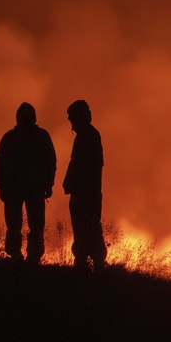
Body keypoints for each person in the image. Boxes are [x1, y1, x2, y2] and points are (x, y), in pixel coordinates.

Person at [0, 102, 56, 264]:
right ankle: (32, 257)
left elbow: (0, 164)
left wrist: (1, 186)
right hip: (34, 188)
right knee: (35, 225)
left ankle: (16, 255)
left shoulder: (10, 138)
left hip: (15, 188)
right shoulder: (41, 136)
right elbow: (50, 161)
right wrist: (49, 183)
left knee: (15, 224)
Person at [63, 99, 107, 270]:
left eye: (72, 116)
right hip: (87, 192)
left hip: (85, 194)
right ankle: (90, 262)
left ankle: (90, 262)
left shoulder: (88, 136)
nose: (69, 120)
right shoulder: (88, 135)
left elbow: (81, 165)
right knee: (85, 227)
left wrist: (71, 182)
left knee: (87, 226)